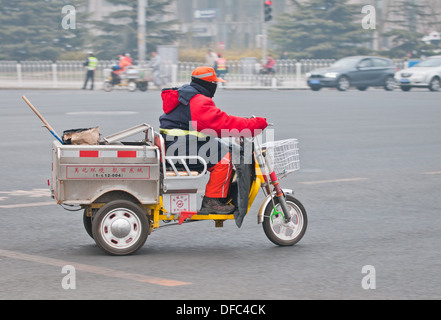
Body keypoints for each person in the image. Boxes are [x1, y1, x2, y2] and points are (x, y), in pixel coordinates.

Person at [159, 66, 268, 214]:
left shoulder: (185, 95)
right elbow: (223, 123)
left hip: (177, 144)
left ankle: (219, 197)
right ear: (208, 84)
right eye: (214, 83)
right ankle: (212, 201)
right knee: (226, 159)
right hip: (180, 148)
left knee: (223, 147)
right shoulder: (198, 101)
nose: (215, 86)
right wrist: (253, 125)